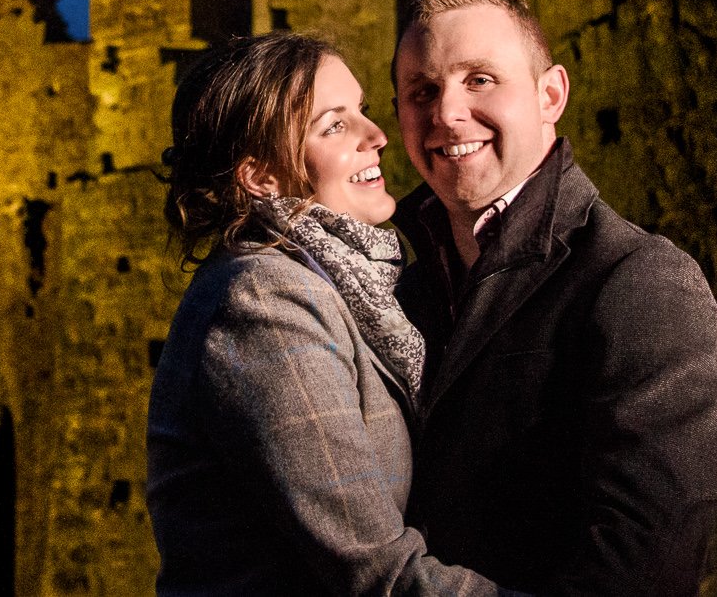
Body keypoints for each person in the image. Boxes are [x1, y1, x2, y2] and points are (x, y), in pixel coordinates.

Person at [392, 0, 717, 597]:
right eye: (422, 90)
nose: (446, 112)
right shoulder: (398, 296)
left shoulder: (638, 284)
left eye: (480, 80)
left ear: (551, 95)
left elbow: (638, 579)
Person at [148, 32, 514, 597]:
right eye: (335, 125)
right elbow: (375, 573)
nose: (377, 137)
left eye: (363, 112)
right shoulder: (263, 302)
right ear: (261, 176)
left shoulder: (338, 287)